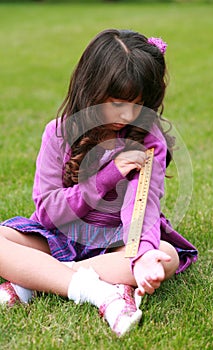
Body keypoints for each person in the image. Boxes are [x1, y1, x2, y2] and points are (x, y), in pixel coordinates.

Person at [0, 29, 198, 337]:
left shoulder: (148, 140)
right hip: (59, 237)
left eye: (137, 103)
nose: (127, 114)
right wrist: (109, 175)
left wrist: (143, 254)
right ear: (90, 89)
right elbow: (49, 212)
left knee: (165, 255)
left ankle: (33, 281)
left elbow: (142, 205)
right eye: (116, 102)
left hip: (117, 243)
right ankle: (102, 292)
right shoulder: (58, 133)